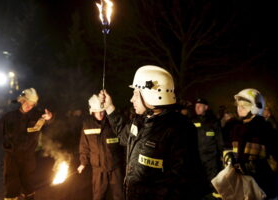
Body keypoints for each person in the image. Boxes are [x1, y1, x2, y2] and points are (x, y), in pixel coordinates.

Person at [99, 65, 204, 200]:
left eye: (136, 94)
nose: (132, 99)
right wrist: (109, 107)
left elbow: (184, 184)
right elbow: (124, 136)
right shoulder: (140, 121)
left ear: (152, 94)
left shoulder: (179, 129)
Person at [0, 88, 53, 200]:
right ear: (22, 101)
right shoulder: (9, 117)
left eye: (32, 104)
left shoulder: (38, 116)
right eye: (27, 103)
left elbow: (49, 121)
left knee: (28, 187)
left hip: (28, 159)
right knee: (11, 187)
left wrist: (50, 118)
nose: (29, 106)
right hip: (11, 158)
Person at [227, 88, 278, 199]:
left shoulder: (265, 129)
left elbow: (276, 159)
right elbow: (236, 151)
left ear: (256, 107)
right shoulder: (237, 128)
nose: (239, 108)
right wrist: (232, 156)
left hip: (263, 186)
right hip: (245, 186)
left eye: (244, 105)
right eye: (238, 105)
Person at [77, 94, 124, 200]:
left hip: (115, 166)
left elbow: (123, 142)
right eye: (97, 111)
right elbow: (84, 146)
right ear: (92, 111)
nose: (100, 114)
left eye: (102, 111)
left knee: (119, 195)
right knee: (98, 196)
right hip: (98, 169)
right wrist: (83, 163)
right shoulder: (87, 124)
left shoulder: (112, 122)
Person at [191, 98, 224, 199]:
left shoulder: (213, 122)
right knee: (198, 180)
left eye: (200, 105)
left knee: (213, 180)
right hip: (196, 157)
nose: (197, 108)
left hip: (211, 158)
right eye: (196, 106)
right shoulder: (192, 121)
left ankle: (215, 197)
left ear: (206, 107)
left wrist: (222, 154)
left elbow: (219, 139)